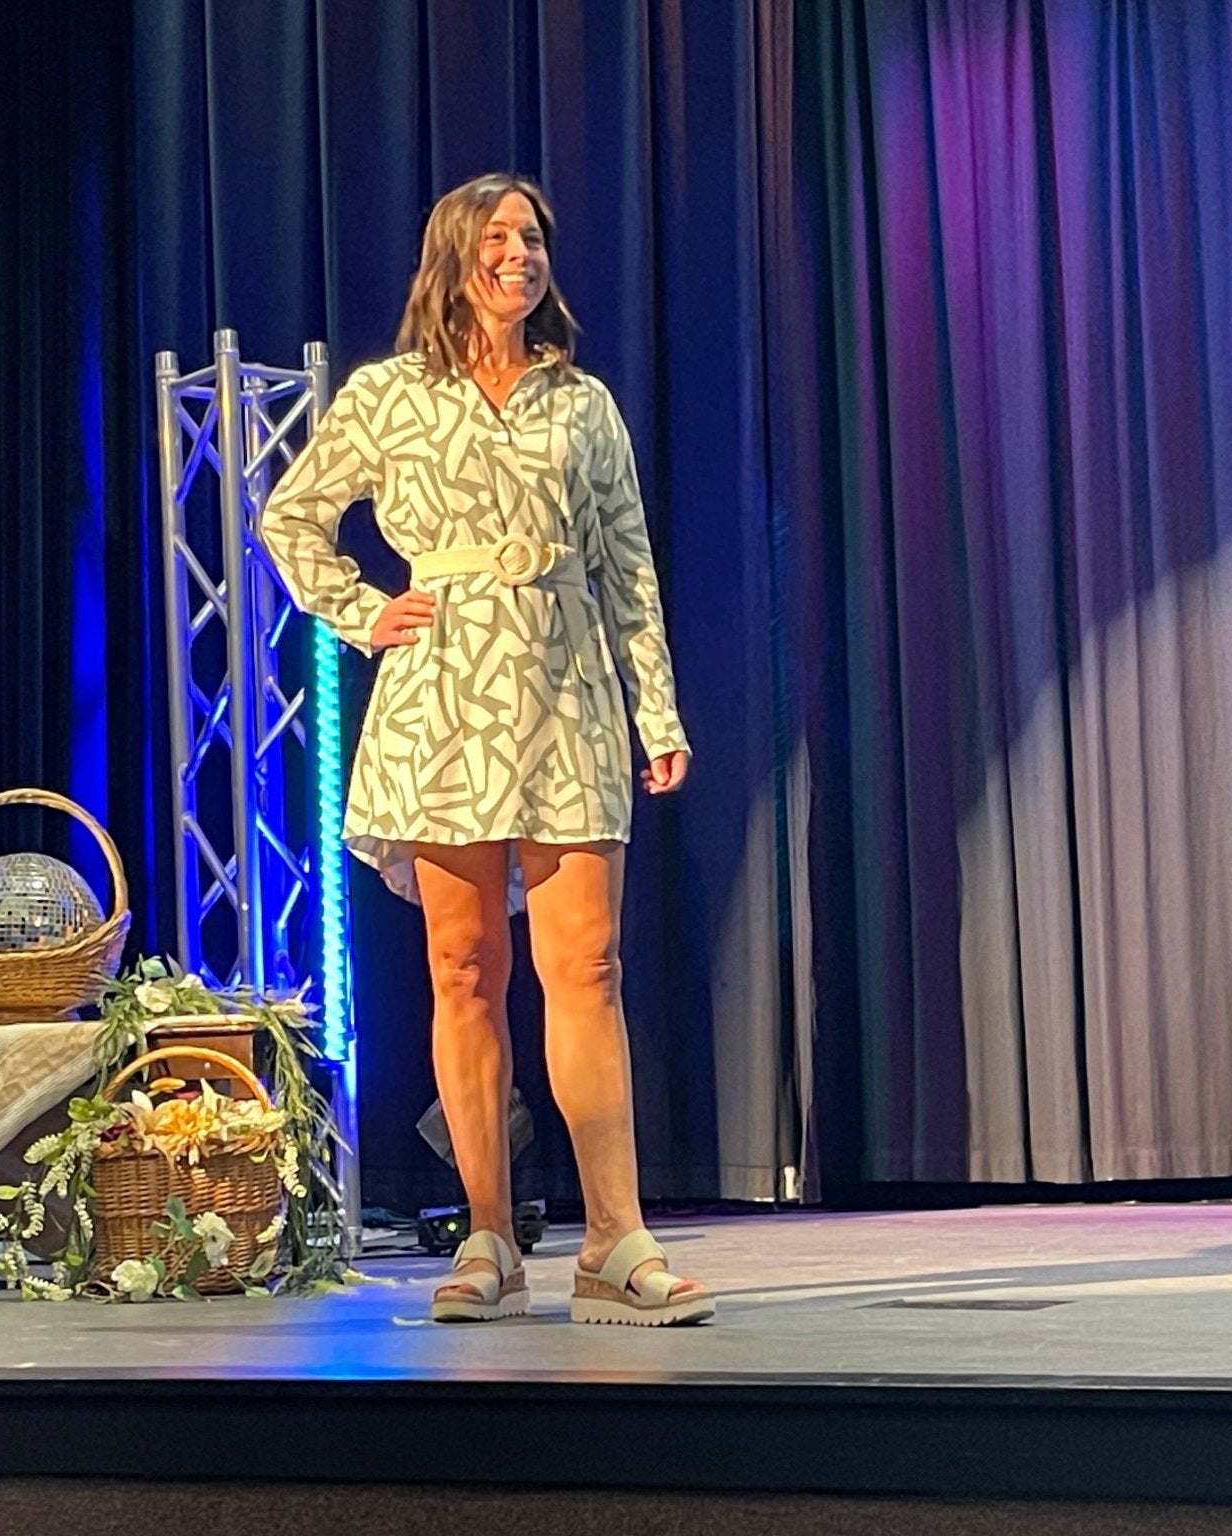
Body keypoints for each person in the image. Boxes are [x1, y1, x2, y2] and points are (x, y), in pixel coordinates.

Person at [262, 173, 713, 1327]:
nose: (521, 252)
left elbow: (627, 567)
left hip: (566, 693)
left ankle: (614, 1239)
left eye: (533, 237)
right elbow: (289, 516)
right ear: (454, 257)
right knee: (463, 970)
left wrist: (656, 712)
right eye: (499, 235)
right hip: (442, 698)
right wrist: (362, 612)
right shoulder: (389, 395)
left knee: (588, 968)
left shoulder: (582, 405)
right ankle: (488, 1238)